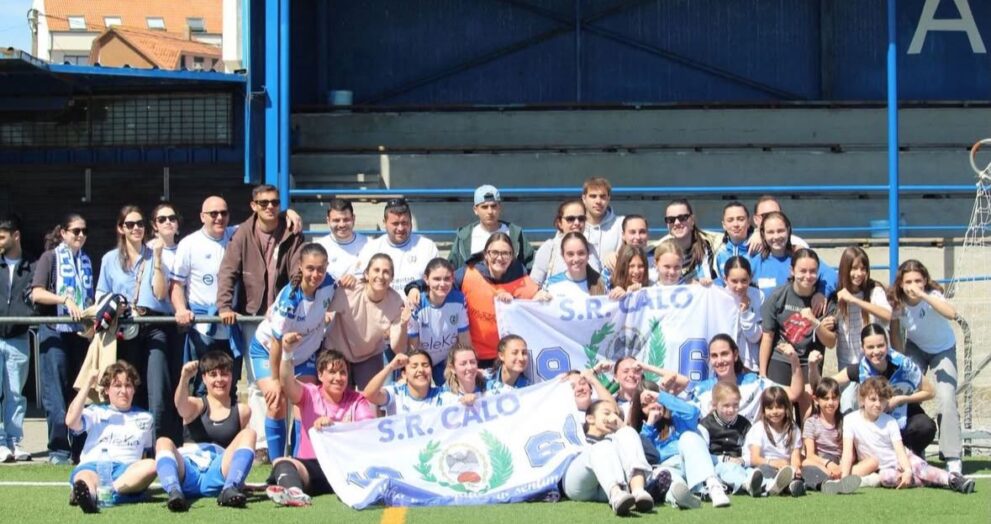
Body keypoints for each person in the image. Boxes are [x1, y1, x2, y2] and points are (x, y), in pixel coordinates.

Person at [218, 184, 305, 461]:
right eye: (264, 202)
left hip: (287, 318)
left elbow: (298, 272)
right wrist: (224, 305)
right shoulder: (242, 233)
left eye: (275, 202)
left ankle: (294, 441)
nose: (270, 207)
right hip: (254, 317)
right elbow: (228, 272)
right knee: (258, 383)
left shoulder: (292, 232)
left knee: (291, 378)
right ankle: (262, 443)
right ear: (253, 205)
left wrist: (290, 304)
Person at [96, 205, 181, 445]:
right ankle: (132, 442)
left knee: (158, 387)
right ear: (121, 229)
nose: (136, 229)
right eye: (130, 225)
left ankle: (159, 444)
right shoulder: (110, 259)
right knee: (130, 385)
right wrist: (116, 305)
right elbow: (101, 295)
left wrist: (156, 261)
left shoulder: (155, 253)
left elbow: (161, 293)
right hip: (126, 327)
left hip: (154, 323)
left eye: (140, 224)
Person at [250, 243, 336, 459]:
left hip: (304, 355)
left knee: (305, 403)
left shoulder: (330, 283)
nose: (316, 274)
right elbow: (277, 342)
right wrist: (276, 380)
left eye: (320, 269)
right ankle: (277, 461)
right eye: (310, 268)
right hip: (268, 350)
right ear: (300, 266)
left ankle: (300, 461)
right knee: (276, 401)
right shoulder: (290, 298)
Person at [407, 233, 539, 368]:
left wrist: (542, 295)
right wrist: (415, 287)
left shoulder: (521, 278)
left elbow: (539, 299)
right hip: (475, 356)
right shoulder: (468, 273)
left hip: (506, 357)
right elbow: (442, 280)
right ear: (486, 254)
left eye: (506, 253)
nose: (500, 258)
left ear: (512, 256)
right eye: (494, 252)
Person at [265, 349, 375, 507]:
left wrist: (337, 426)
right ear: (320, 375)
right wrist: (288, 352)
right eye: (332, 372)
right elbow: (287, 383)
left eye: (343, 372)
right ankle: (295, 493)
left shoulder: (357, 400)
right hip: (314, 467)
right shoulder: (310, 393)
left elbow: (368, 430)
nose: (338, 378)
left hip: (346, 468)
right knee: (283, 462)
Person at [816, 323, 937, 457]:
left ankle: (911, 454)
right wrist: (811, 368)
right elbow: (827, 383)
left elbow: (930, 391)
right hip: (877, 423)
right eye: (870, 347)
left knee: (926, 427)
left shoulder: (903, 364)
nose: (876, 351)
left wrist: (900, 399)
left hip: (905, 415)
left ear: (887, 344)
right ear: (862, 348)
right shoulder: (860, 370)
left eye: (880, 346)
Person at [155, 352, 257, 511]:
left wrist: (240, 478)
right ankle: (174, 491)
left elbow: (239, 451)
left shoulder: (242, 411)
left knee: (249, 434)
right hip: (189, 470)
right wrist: (184, 378)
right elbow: (180, 405)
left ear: (232, 376)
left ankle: (231, 488)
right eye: (213, 375)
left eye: (224, 374)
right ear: (204, 378)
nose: (219, 380)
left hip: (217, 472)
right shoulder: (196, 405)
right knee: (163, 442)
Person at [888, 259, 963, 475]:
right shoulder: (898, 303)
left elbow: (951, 313)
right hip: (916, 348)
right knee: (904, 387)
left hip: (943, 349)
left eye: (918, 281)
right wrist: (903, 363)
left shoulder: (932, 296)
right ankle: (913, 445)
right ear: (901, 283)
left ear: (925, 281)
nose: (913, 285)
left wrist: (923, 295)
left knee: (946, 396)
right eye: (908, 281)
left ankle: (952, 456)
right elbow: (895, 336)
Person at [31, 213, 94, 464]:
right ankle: (58, 449)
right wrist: (64, 299)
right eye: (75, 231)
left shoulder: (87, 260)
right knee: (55, 392)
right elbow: (36, 293)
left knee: (79, 391)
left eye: (84, 231)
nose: (80, 235)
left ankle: (80, 448)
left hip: (80, 333)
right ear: (64, 233)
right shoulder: (50, 257)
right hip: (55, 330)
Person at [840, 376, 974, 493]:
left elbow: (900, 451)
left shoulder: (890, 422)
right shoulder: (850, 420)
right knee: (887, 478)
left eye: (882, 400)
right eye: (873, 399)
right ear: (862, 400)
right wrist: (844, 479)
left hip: (903, 459)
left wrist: (908, 470)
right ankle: (932, 480)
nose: (878, 404)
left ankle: (953, 480)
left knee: (920, 468)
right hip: (884, 468)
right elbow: (847, 453)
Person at [171, 196, 240, 398]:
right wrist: (181, 309)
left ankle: (229, 429)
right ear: (203, 216)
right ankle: (201, 429)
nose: (219, 218)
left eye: (224, 213)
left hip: (231, 325)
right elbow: (176, 285)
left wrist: (287, 213)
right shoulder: (189, 244)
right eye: (213, 214)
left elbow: (262, 220)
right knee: (203, 386)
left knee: (230, 385)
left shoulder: (237, 236)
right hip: (203, 327)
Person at [66, 361, 157, 514]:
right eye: (117, 385)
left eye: (128, 386)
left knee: (152, 465)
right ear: (107, 390)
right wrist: (88, 383)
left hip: (125, 470)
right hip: (93, 465)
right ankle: (89, 495)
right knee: (85, 477)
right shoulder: (95, 411)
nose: (123, 391)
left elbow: (145, 453)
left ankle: (103, 494)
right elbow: (71, 421)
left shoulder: (146, 418)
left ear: (134, 389)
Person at [631, 382, 731, 509]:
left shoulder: (677, 418)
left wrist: (660, 396)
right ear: (640, 411)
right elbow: (648, 455)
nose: (652, 406)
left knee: (688, 436)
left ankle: (713, 487)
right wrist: (650, 425)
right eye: (645, 405)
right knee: (667, 479)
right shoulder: (643, 431)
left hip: (690, 463)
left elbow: (693, 413)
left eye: (653, 400)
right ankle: (683, 498)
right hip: (667, 468)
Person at [324, 254, 409, 389]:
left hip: (369, 356)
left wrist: (404, 326)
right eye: (376, 270)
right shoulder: (349, 291)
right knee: (337, 405)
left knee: (373, 402)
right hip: (336, 352)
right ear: (366, 274)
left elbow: (398, 348)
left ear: (392, 278)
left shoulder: (396, 303)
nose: (380, 276)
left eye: (386, 272)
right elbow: (320, 307)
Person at [759, 248, 837, 392]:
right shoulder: (778, 296)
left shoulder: (825, 301)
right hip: (781, 358)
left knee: (808, 403)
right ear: (792, 271)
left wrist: (815, 322)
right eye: (802, 271)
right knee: (779, 402)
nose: (808, 276)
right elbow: (768, 336)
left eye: (813, 271)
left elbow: (831, 342)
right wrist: (762, 373)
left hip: (810, 360)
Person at [562, 399, 654, 516]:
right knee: (602, 446)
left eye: (616, 414)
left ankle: (638, 491)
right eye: (607, 413)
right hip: (579, 485)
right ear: (590, 418)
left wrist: (622, 427)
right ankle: (616, 495)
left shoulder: (616, 438)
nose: (613, 418)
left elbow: (653, 456)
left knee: (627, 432)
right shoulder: (576, 434)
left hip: (614, 486)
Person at [697, 382, 789, 497]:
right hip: (718, 466)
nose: (731, 410)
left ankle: (771, 485)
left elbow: (749, 453)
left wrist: (742, 460)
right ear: (715, 405)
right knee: (729, 470)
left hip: (741, 465)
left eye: (735, 405)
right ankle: (749, 485)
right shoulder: (705, 425)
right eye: (726, 406)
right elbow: (702, 455)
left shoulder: (744, 425)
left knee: (753, 472)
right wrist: (724, 459)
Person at [687, 334, 803, 423]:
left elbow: (793, 394)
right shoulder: (701, 391)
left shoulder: (755, 383)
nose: (720, 361)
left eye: (724, 354)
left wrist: (795, 361)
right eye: (714, 356)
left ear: (735, 355)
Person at [0, 214, 36, 462]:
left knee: (16, 393)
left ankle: (14, 441)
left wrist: (27, 315)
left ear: (16, 236)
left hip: (19, 336)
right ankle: (0, 441)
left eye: (2, 237)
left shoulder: (32, 265)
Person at [407, 258, 471, 386]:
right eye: (436, 279)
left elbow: (464, 337)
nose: (442, 284)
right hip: (423, 359)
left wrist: (466, 362)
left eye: (447, 279)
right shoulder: (417, 303)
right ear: (426, 279)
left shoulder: (459, 299)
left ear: (453, 279)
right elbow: (413, 346)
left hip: (445, 361)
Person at [356, 198, 439, 294]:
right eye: (395, 224)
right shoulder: (371, 248)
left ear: (411, 222)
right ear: (384, 223)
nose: (400, 228)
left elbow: (437, 280)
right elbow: (359, 281)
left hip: (419, 307)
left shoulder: (427, 247)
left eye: (404, 223)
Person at [448, 184, 534, 271]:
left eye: (493, 206)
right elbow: (451, 269)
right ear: (475, 210)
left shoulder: (515, 234)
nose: (490, 211)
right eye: (484, 207)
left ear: (499, 207)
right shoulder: (464, 236)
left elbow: (530, 266)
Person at [832, 247, 890, 371]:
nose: (859, 273)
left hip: (874, 359)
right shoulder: (836, 293)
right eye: (854, 268)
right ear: (845, 269)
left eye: (863, 269)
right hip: (847, 361)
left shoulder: (874, 290)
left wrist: (855, 300)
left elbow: (887, 314)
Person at [799, 377, 861, 494]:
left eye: (834, 398)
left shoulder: (845, 421)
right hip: (820, 463)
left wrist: (841, 467)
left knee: (872, 462)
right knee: (805, 463)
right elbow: (810, 455)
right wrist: (828, 465)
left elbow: (850, 453)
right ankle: (829, 482)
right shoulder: (811, 422)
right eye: (826, 398)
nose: (830, 403)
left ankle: (839, 480)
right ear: (816, 400)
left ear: (839, 398)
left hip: (841, 463)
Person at [750, 211, 836, 294]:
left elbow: (832, 275)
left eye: (780, 231)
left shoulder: (801, 257)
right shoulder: (755, 263)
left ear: (788, 230)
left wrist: (822, 294)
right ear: (763, 234)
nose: (776, 236)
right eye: (770, 232)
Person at [744, 386, 806, 497]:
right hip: (765, 465)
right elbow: (755, 459)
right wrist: (774, 463)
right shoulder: (759, 428)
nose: (775, 412)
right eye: (770, 408)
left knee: (807, 470)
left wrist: (795, 468)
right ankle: (782, 485)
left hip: (786, 469)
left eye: (779, 407)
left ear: (786, 408)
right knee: (764, 470)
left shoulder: (793, 428)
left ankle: (793, 484)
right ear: (764, 410)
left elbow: (795, 456)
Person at [530, 199, 602, 287]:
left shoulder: (591, 248)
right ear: (560, 223)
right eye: (570, 219)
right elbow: (534, 284)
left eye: (581, 218)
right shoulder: (549, 248)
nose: (577, 223)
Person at [363, 350, 444, 415]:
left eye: (425, 365)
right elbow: (369, 394)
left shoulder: (442, 395)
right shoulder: (395, 394)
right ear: (404, 374)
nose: (421, 370)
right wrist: (390, 367)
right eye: (414, 366)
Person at [659, 199, 719, 282]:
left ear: (692, 220)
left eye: (682, 218)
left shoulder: (703, 249)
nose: (676, 223)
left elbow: (706, 281)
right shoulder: (662, 250)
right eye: (671, 219)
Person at [722, 256, 764, 371]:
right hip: (724, 362)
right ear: (725, 279)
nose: (739, 286)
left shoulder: (758, 296)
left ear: (750, 278)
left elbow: (755, 337)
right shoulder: (718, 297)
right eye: (734, 281)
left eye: (744, 281)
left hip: (749, 365)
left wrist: (745, 312)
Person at [536, 232, 608, 298]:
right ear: (562, 256)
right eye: (570, 254)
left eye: (581, 253)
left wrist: (618, 295)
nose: (576, 259)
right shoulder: (550, 284)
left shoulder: (603, 283)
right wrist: (537, 299)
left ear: (588, 254)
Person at [315, 198, 369, 280]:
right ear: (328, 221)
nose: (342, 224)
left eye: (346, 219)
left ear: (353, 219)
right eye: (336, 220)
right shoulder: (318, 248)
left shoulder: (369, 245)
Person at [582, 177, 624, 258]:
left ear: (608, 198)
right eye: (593, 196)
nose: (598, 201)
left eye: (602, 196)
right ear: (584, 198)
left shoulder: (621, 224)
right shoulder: (574, 225)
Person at [713, 201, 752, 280]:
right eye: (730, 220)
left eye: (741, 219)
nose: (736, 224)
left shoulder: (758, 250)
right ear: (724, 225)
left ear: (748, 222)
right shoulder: (720, 255)